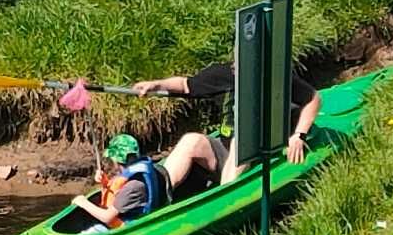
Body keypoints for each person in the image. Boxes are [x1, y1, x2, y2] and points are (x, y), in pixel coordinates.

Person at [130, 63, 325, 167]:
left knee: (241, 143)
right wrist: (157, 84)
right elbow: (185, 85)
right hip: (225, 154)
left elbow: (313, 98)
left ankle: (225, 198)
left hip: (260, 152)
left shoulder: (274, 76)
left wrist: (299, 136)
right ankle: (158, 198)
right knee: (191, 140)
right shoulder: (222, 75)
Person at [71, 128, 225, 232]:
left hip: (121, 227)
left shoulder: (133, 188)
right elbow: (117, 185)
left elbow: (107, 217)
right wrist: (104, 181)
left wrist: (82, 202)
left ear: (116, 161)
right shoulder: (135, 173)